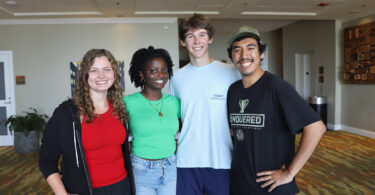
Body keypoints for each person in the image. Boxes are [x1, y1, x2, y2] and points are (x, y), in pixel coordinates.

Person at [226, 26, 326, 195]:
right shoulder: (233, 91)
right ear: (232, 57)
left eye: (250, 48)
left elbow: (316, 128)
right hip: (241, 184)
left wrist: (289, 173)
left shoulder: (276, 87)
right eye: (237, 50)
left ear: (261, 53)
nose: (244, 55)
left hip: (272, 188)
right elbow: (235, 132)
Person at [39, 49, 135, 195]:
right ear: (85, 75)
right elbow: (46, 161)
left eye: (107, 69)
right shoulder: (66, 113)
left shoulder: (119, 108)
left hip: (122, 186)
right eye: (94, 70)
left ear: (114, 74)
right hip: (86, 190)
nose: (101, 75)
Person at [169, 14, 241, 195]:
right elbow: (174, 117)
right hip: (186, 162)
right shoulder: (176, 78)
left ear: (210, 38)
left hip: (222, 160)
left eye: (201, 34)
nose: (196, 41)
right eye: (190, 36)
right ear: (183, 42)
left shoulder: (232, 72)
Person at [123, 46, 180, 195]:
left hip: (170, 168)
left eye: (164, 70)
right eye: (153, 70)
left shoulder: (175, 102)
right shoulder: (128, 102)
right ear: (142, 74)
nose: (160, 75)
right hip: (142, 171)